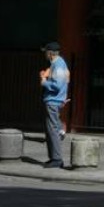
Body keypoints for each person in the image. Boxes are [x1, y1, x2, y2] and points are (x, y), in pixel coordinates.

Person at [39, 41, 70, 169]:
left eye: (46, 52)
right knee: (50, 130)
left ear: (50, 53)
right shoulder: (58, 64)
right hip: (55, 101)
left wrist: (44, 82)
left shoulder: (58, 65)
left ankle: (56, 159)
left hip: (53, 101)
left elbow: (57, 85)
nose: (45, 54)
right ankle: (53, 158)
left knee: (52, 131)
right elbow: (66, 82)